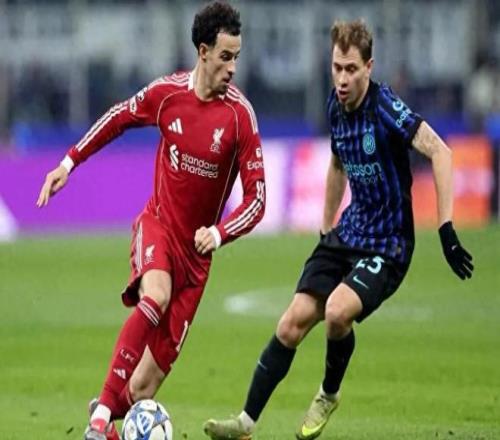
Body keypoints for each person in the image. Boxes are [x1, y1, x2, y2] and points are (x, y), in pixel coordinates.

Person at [203, 19, 473, 440]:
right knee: (290, 324)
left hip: (388, 245)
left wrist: (446, 229)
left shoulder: (385, 108)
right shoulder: (334, 105)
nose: (342, 79)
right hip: (349, 233)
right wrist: (327, 225)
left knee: (336, 311)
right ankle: (245, 423)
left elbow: (441, 152)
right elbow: (336, 163)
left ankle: (328, 394)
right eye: (336, 68)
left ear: (369, 67)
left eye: (351, 69)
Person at [37, 2, 266, 439]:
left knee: (143, 388)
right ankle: (102, 418)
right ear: (203, 51)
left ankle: (106, 419)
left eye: (237, 57)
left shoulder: (240, 117)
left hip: (196, 261)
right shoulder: (168, 95)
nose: (233, 67)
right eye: (225, 56)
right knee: (155, 294)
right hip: (157, 226)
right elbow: (118, 117)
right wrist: (69, 162)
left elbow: (258, 200)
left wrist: (220, 232)